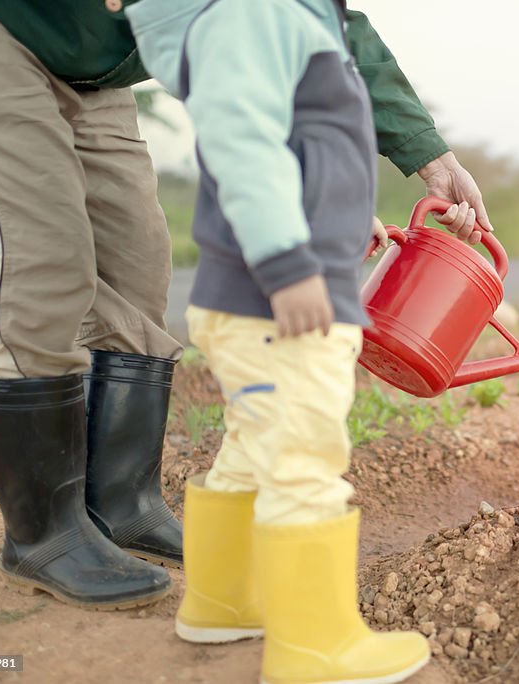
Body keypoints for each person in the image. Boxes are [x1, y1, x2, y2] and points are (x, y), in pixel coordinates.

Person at [0, 0, 490, 611]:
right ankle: (44, 533)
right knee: (39, 257)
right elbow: (241, 114)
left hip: (92, 67)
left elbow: (320, 28)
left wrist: (427, 155)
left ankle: (124, 504)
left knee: (139, 261)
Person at [125, 0, 442, 682]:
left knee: (257, 441)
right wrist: (290, 263)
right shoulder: (254, 11)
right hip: (279, 302)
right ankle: (315, 650)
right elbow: (242, 140)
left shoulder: (275, 15)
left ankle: (222, 603)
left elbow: (304, 143)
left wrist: (341, 221)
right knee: (304, 454)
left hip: (259, 301)